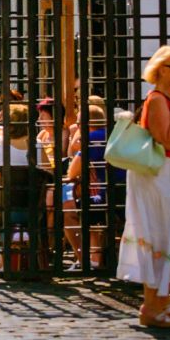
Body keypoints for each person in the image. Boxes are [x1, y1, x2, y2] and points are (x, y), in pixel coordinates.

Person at [116, 45, 170, 329]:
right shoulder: (157, 100)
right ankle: (153, 305)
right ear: (162, 70)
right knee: (162, 235)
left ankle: (161, 299)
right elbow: (166, 141)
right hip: (160, 174)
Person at [63, 99, 109, 269]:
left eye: (78, 122)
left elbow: (72, 172)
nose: (76, 125)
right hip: (121, 194)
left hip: (102, 197)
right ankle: (95, 258)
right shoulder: (110, 134)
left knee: (67, 210)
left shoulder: (91, 138)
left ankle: (84, 260)